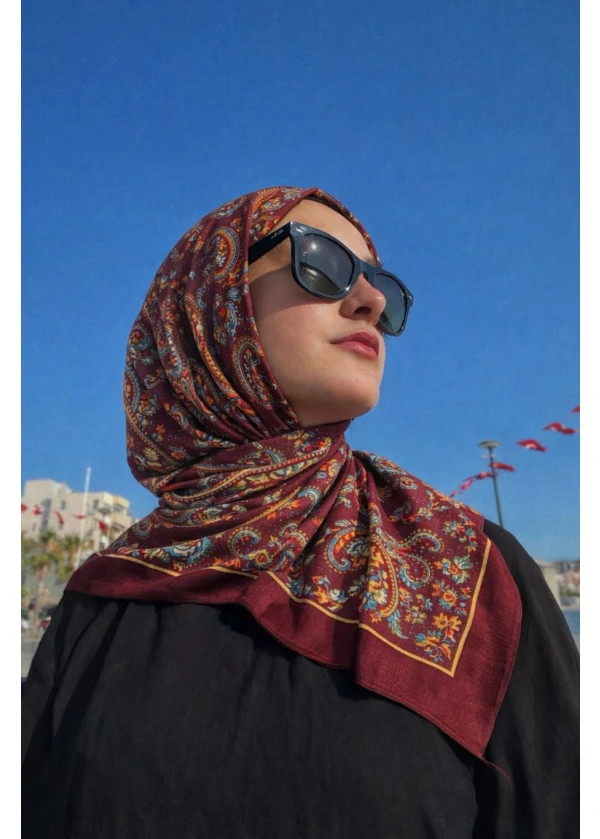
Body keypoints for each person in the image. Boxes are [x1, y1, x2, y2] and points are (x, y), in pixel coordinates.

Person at [22, 186, 579, 838]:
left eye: (383, 286)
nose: (371, 302)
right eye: (322, 261)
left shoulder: (475, 572)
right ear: (211, 302)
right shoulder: (104, 597)